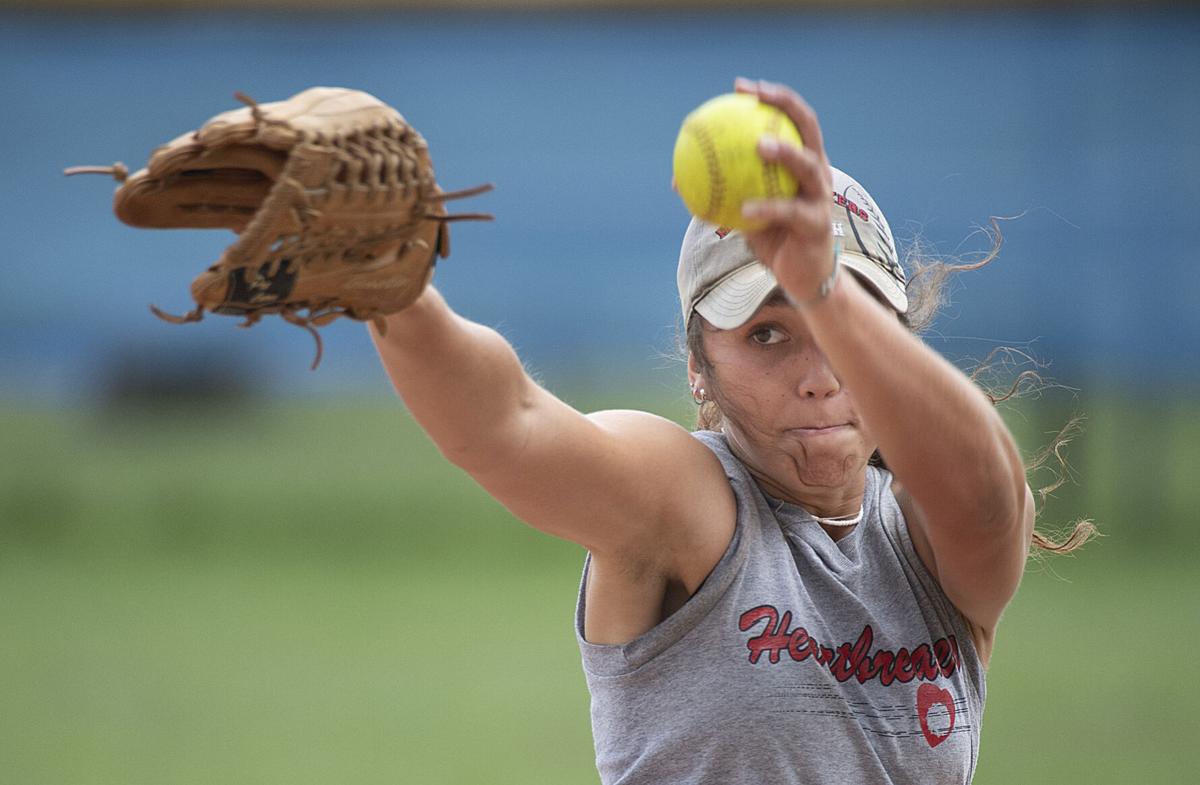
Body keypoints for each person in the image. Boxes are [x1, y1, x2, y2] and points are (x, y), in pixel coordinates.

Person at [370, 78, 1081, 784]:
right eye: (768, 332)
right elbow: (506, 422)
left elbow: (989, 495)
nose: (820, 375)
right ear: (698, 369)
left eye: (846, 323)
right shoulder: (689, 505)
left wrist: (822, 285)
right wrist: (390, 286)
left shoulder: (929, 546)